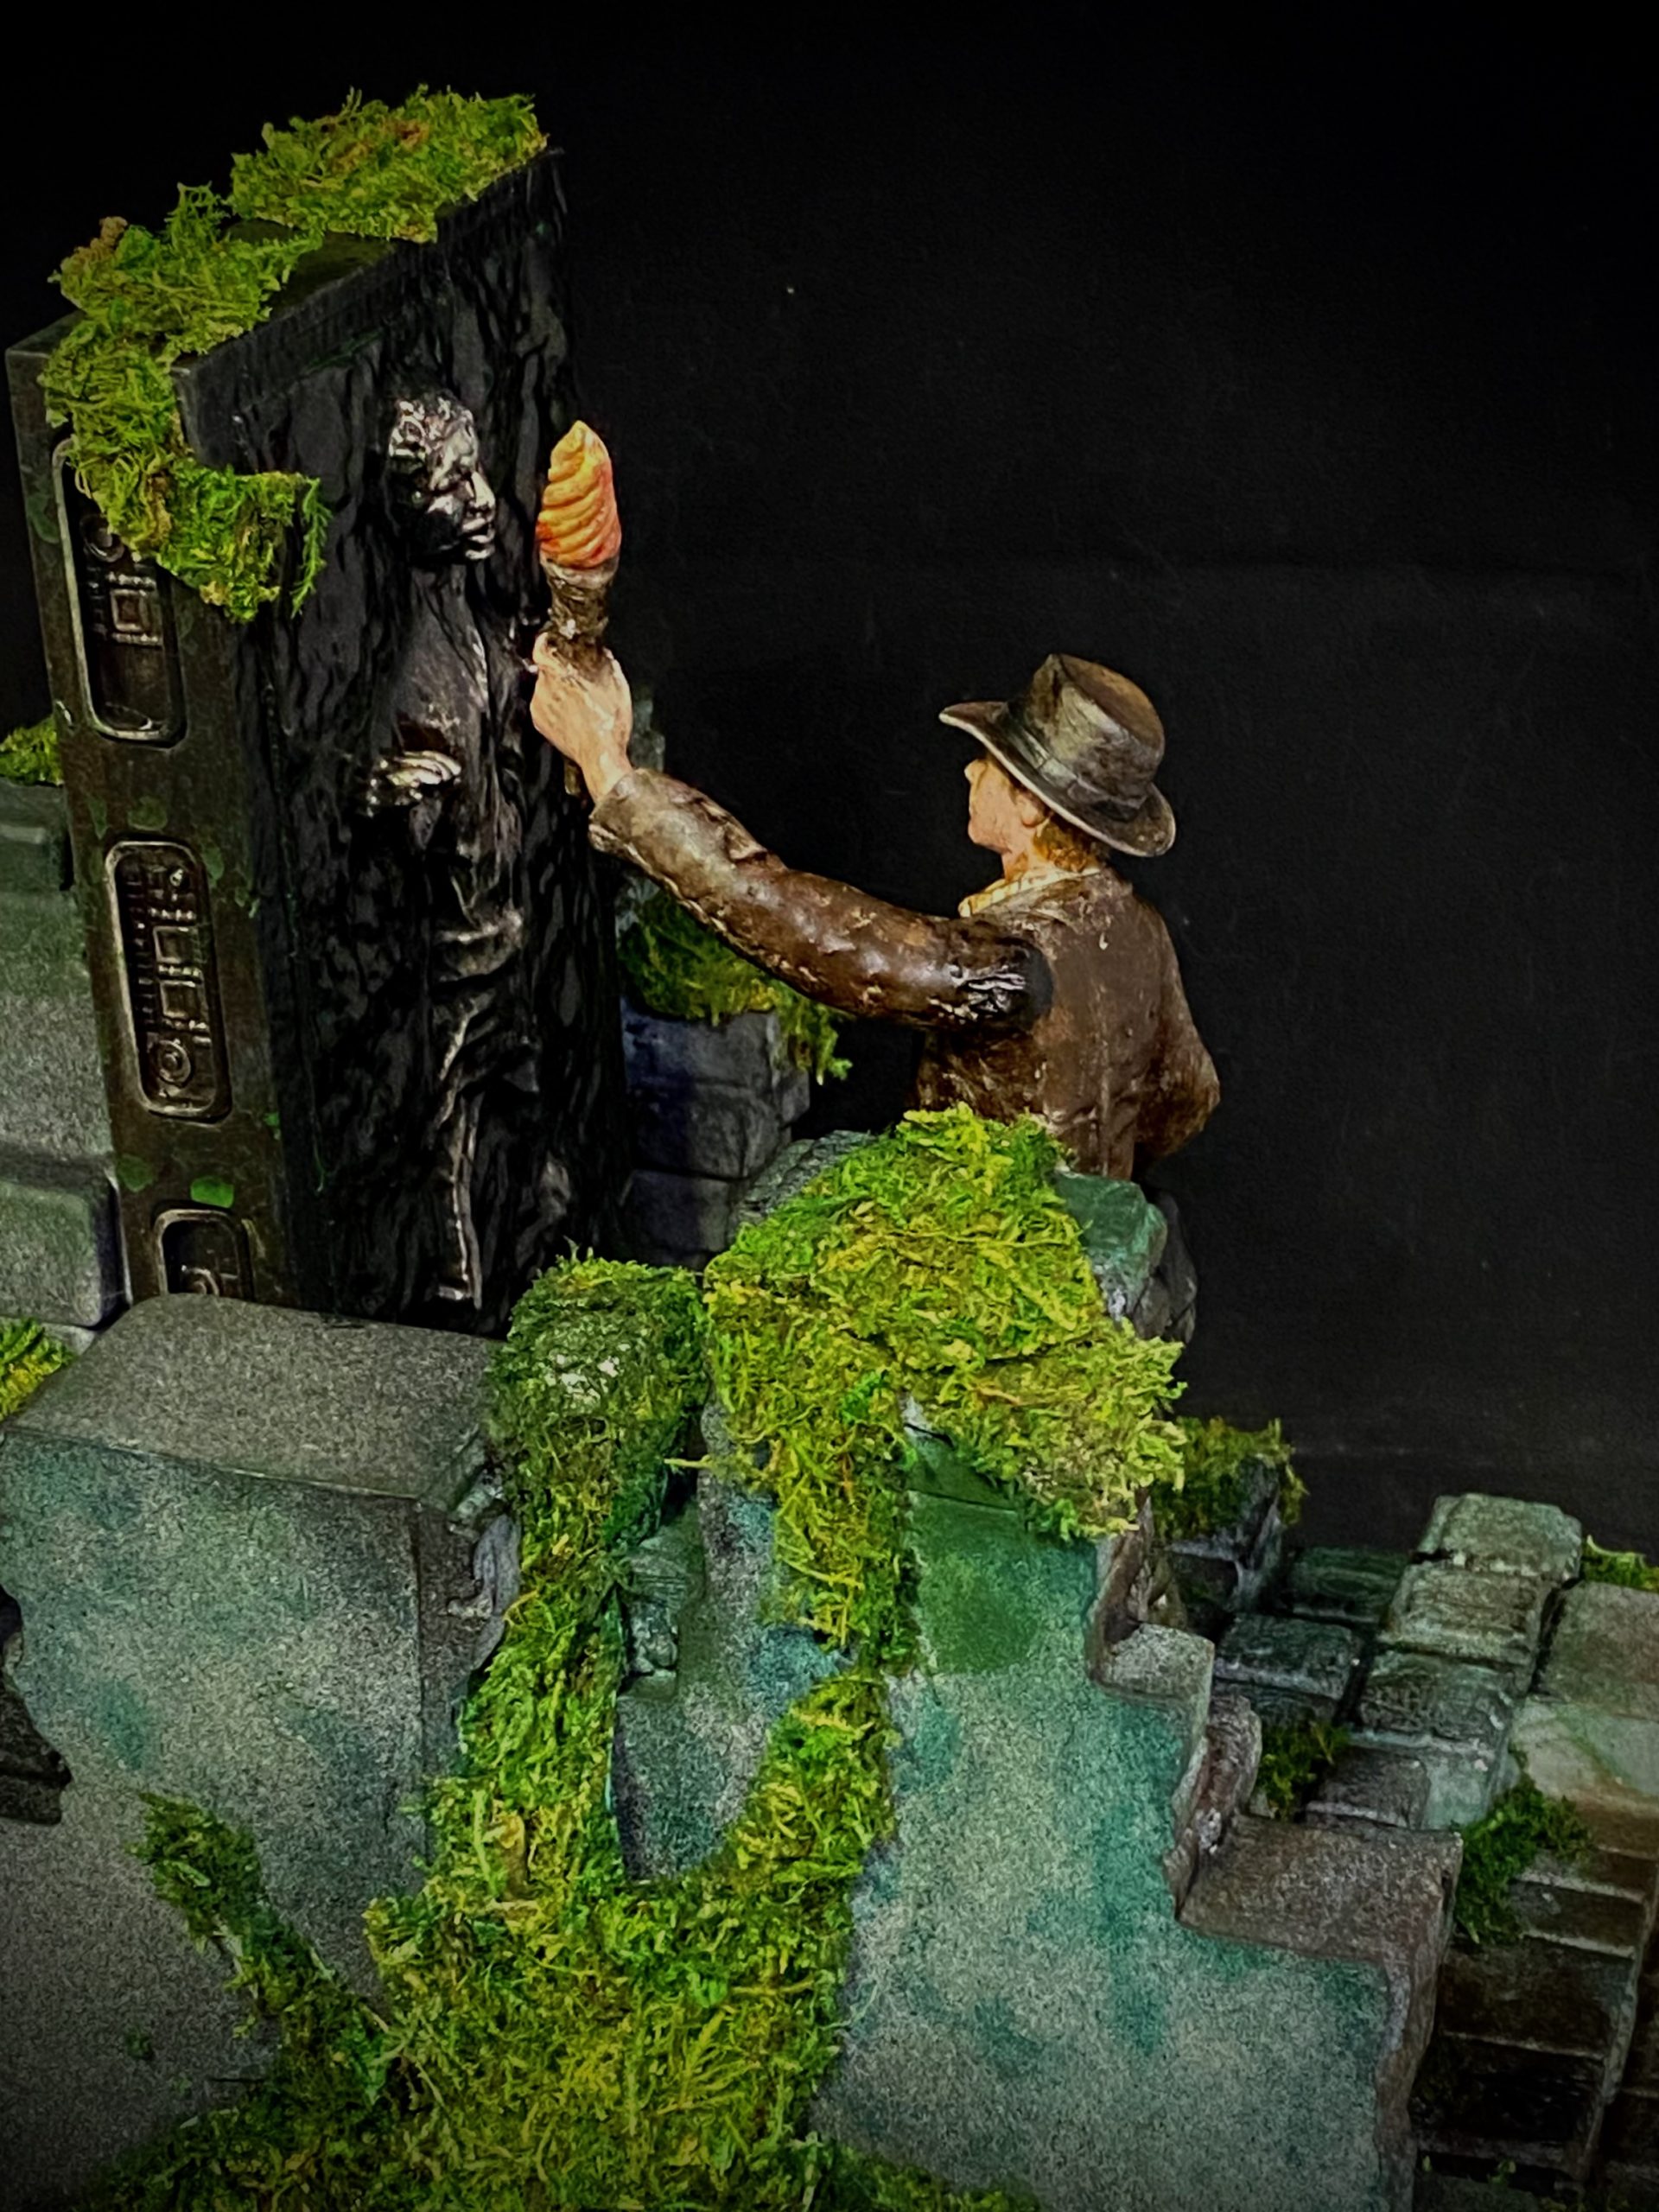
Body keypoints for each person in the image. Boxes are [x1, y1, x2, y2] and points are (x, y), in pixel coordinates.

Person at [530, 644, 1218, 1182]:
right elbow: (1187, 1096)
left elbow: (808, 928)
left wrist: (612, 774)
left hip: (994, 1252)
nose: (970, 773)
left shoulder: (1013, 967)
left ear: (1032, 807)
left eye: (988, 764)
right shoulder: (1140, 929)